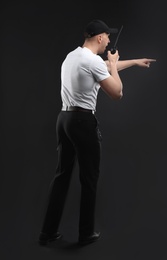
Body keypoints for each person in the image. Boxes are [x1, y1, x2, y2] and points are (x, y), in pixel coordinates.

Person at [38, 19, 156, 246]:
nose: (110, 41)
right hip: (83, 121)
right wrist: (112, 64)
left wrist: (132, 62)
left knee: (62, 176)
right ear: (100, 37)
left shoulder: (73, 56)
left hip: (64, 120)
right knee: (89, 179)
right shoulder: (91, 61)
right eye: (108, 37)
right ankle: (86, 234)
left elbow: (101, 66)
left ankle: (47, 232)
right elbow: (117, 93)